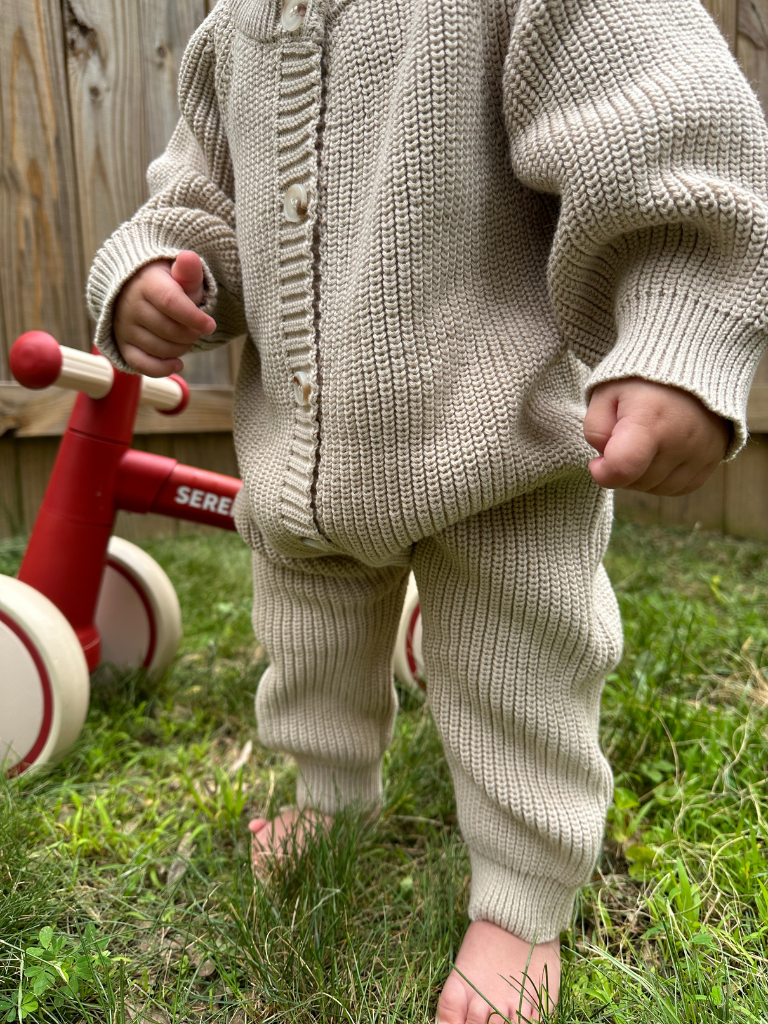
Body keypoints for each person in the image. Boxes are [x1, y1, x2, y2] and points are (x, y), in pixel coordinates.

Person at [86, 1, 767, 1019]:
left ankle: (523, 897)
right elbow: (196, 198)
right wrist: (152, 270)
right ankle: (330, 795)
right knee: (308, 647)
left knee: (517, 669)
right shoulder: (239, 24)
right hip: (307, 454)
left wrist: (678, 332)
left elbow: (666, 127)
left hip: (498, 445)